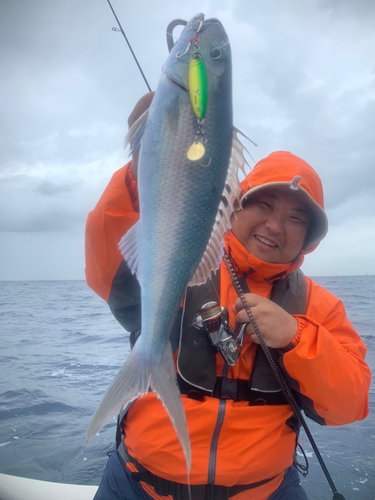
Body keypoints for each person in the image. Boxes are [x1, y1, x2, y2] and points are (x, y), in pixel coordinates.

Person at [85, 93, 371, 500]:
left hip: (267, 491)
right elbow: (107, 267)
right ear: (233, 206)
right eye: (264, 205)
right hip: (139, 484)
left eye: (296, 219)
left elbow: (349, 405)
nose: (275, 226)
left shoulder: (318, 306)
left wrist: (296, 335)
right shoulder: (182, 260)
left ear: (309, 238)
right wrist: (140, 170)